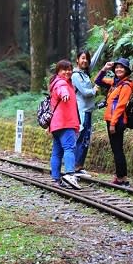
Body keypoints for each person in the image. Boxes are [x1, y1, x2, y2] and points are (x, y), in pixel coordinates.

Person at [71, 30, 109, 177]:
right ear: (77, 60)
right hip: (81, 111)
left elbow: (95, 59)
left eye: (86, 59)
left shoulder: (85, 72)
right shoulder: (76, 75)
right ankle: (75, 167)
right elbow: (86, 92)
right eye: (82, 59)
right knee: (81, 138)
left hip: (88, 111)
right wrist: (94, 89)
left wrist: (104, 43)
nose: (85, 61)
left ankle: (79, 166)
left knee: (86, 139)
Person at [94, 57, 133, 186]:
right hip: (111, 119)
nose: (118, 69)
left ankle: (122, 178)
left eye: (121, 67)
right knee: (116, 148)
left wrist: (113, 123)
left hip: (117, 121)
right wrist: (104, 69)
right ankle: (120, 176)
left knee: (117, 149)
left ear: (126, 70)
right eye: (117, 67)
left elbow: (121, 105)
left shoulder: (126, 85)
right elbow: (98, 81)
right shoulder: (115, 83)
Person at [48, 59, 82, 189]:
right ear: (58, 71)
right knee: (69, 148)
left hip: (56, 124)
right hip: (65, 123)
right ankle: (70, 175)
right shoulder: (61, 83)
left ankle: (56, 178)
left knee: (57, 152)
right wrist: (65, 95)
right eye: (64, 69)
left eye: (69, 69)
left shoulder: (58, 82)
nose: (67, 72)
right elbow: (63, 91)